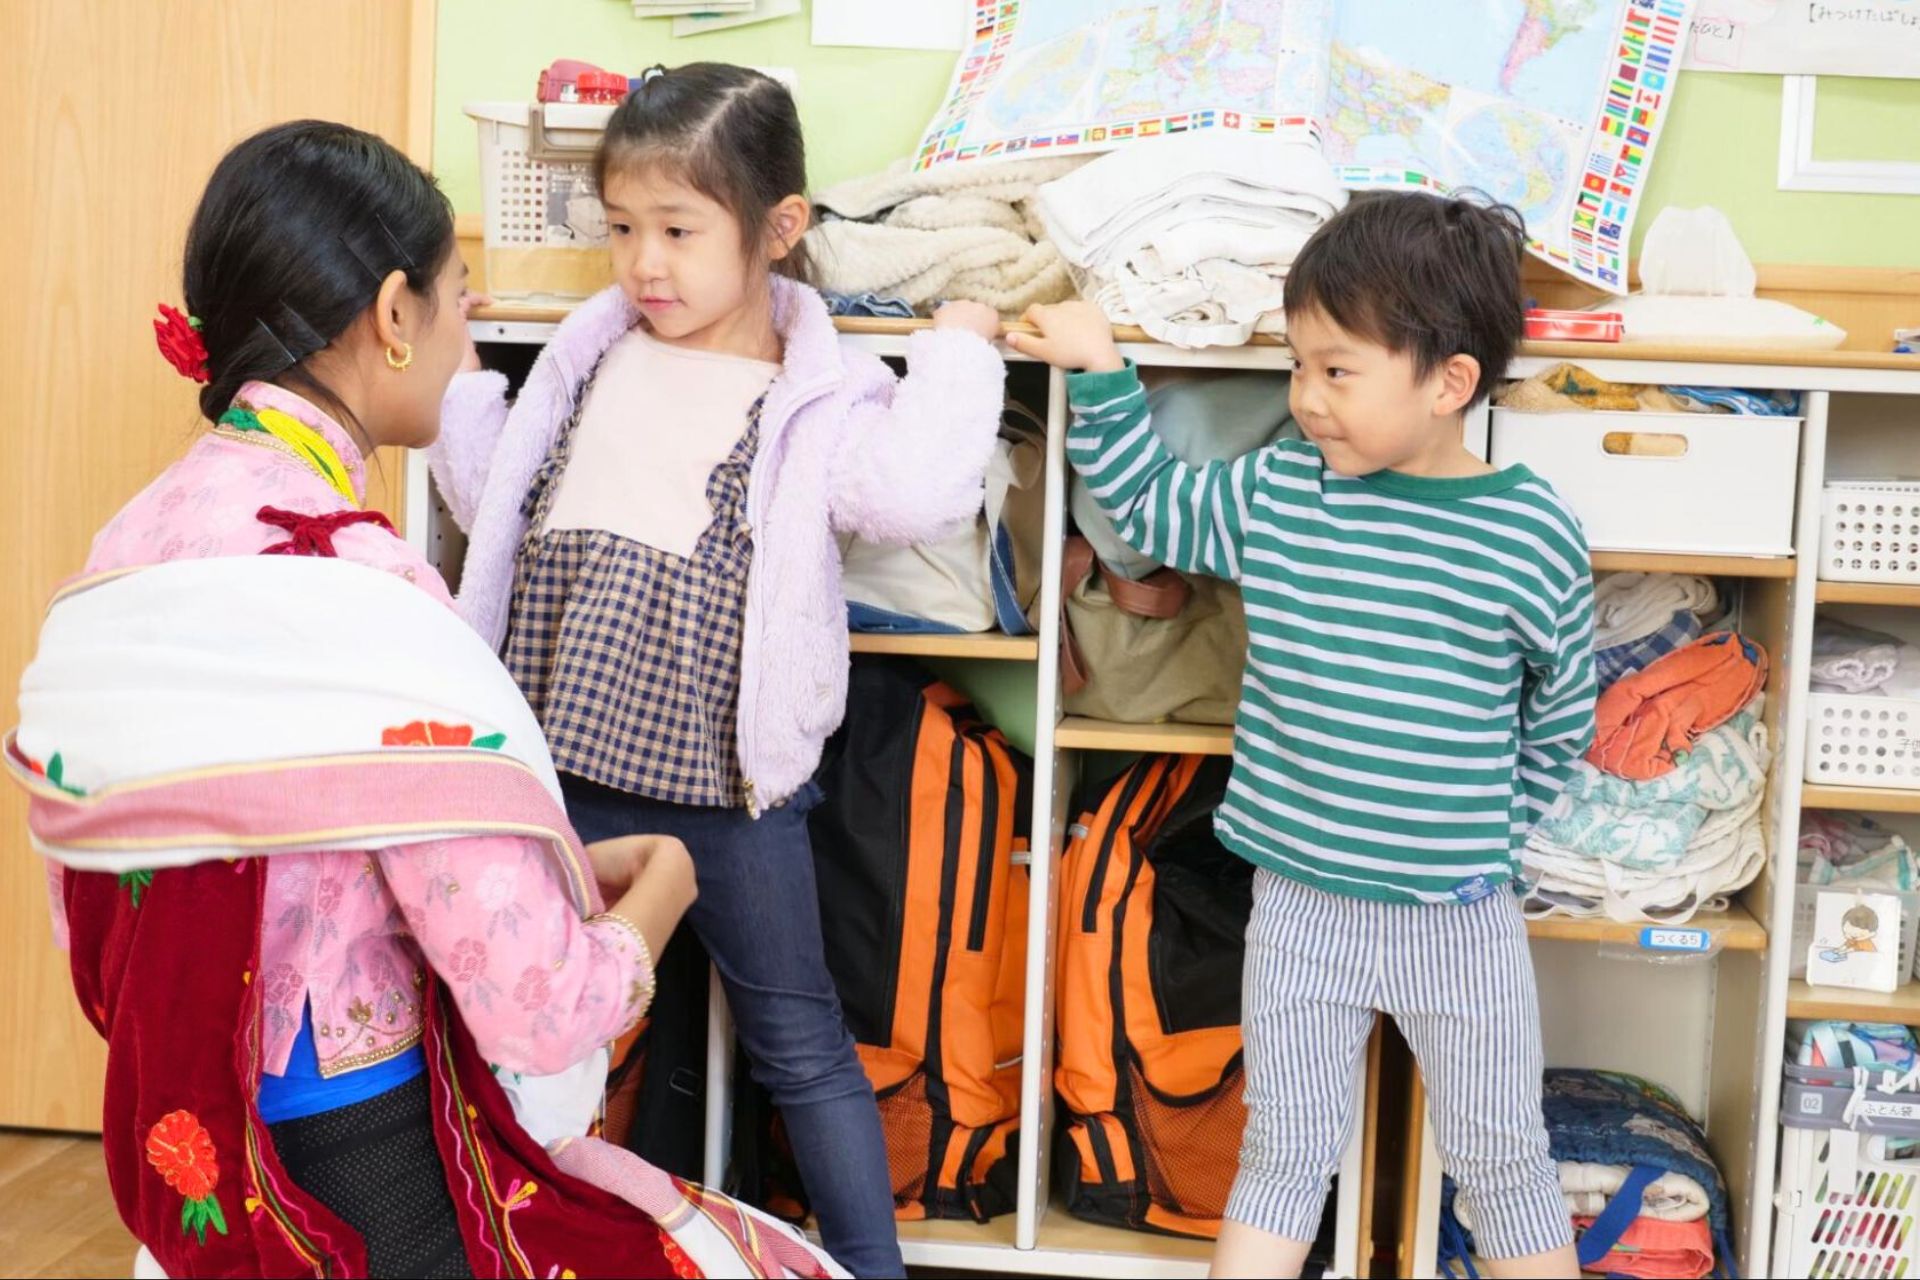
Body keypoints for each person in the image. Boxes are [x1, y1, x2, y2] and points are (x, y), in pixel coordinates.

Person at [9, 118, 842, 1279]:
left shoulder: (122, 553)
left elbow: (130, 910)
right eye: (459, 299)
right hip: (364, 1173)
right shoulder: (370, 592)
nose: (466, 343)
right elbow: (544, 1009)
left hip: (185, 1153)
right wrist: (653, 900)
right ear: (394, 314)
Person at [432, 63, 1008, 1276]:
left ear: (778, 229)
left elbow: (912, 492)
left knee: (799, 1041)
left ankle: (868, 1264)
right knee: (524, 1034)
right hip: (564, 781)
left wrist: (958, 354)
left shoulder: (821, 396)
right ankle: (516, 1242)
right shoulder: (589, 365)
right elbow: (500, 512)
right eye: (624, 227)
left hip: (729, 792)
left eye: (680, 231)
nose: (645, 263)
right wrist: (465, 380)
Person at [1011, 193, 1598, 1280]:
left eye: (1337, 371)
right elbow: (1146, 509)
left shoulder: (1528, 529)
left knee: (1506, 1161)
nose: (1305, 400)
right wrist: (1099, 371)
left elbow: (1562, 707)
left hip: (1456, 917)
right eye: (1298, 365)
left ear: (1449, 383)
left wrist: (1487, 823)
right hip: (1298, 902)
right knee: (1282, 1154)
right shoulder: (1284, 489)